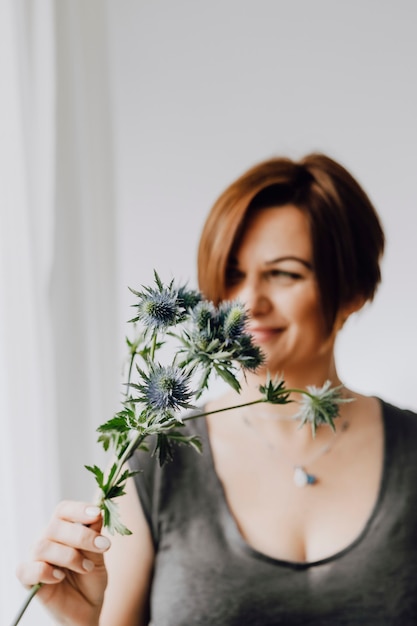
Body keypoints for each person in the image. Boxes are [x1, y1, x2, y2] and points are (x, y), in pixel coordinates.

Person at [17, 153, 417, 625]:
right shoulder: (157, 460)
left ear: (352, 291)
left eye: (285, 273)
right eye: (232, 275)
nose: (249, 302)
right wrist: (84, 620)